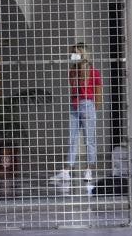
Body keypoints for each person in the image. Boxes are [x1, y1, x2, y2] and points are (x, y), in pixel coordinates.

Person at [52, 43, 102, 185]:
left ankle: (89, 169)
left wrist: (94, 108)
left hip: (87, 104)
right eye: (72, 52)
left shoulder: (93, 72)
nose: (73, 55)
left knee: (89, 139)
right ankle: (67, 170)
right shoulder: (73, 71)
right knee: (72, 138)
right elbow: (73, 88)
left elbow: (98, 92)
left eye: (76, 53)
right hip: (74, 105)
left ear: (83, 54)